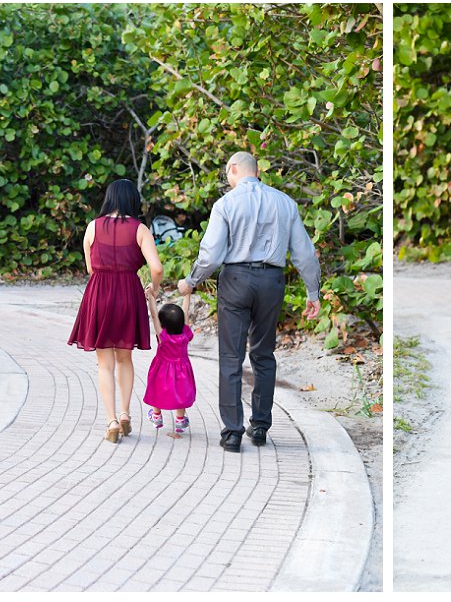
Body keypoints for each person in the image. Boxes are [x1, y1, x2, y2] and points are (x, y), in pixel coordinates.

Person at [178, 152, 321, 453]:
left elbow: (212, 254)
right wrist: (313, 293)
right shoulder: (285, 203)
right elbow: (304, 254)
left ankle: (232, 432)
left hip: (236, 281)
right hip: (272, 282)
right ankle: (260, 426)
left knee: (231, 357)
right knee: (264, 353)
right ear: (257, 171)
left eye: (226, 173)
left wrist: (192, 280)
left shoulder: (226, 204)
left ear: (232, 170)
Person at [67, 179, 165, 443]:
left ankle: (110, 420)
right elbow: (156, 268)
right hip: (128, 294)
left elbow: (90, 268)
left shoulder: (92, 227)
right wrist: (153, 289)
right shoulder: (140, 229)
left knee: (104, 364)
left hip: (98, 294)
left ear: (109, 199)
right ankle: (125, 414)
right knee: (125, 359)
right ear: (133, 200)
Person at [142, 300, 196, 439]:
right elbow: (186, 313)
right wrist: (187, 295)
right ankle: (180, 420)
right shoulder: (185, 334)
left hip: (161, 370)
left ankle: (156, 416)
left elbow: (154, 316)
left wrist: (151, 298)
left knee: (156, 390)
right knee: (181, 392)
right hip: (182, 370)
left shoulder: (163, 337)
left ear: (163, 324)